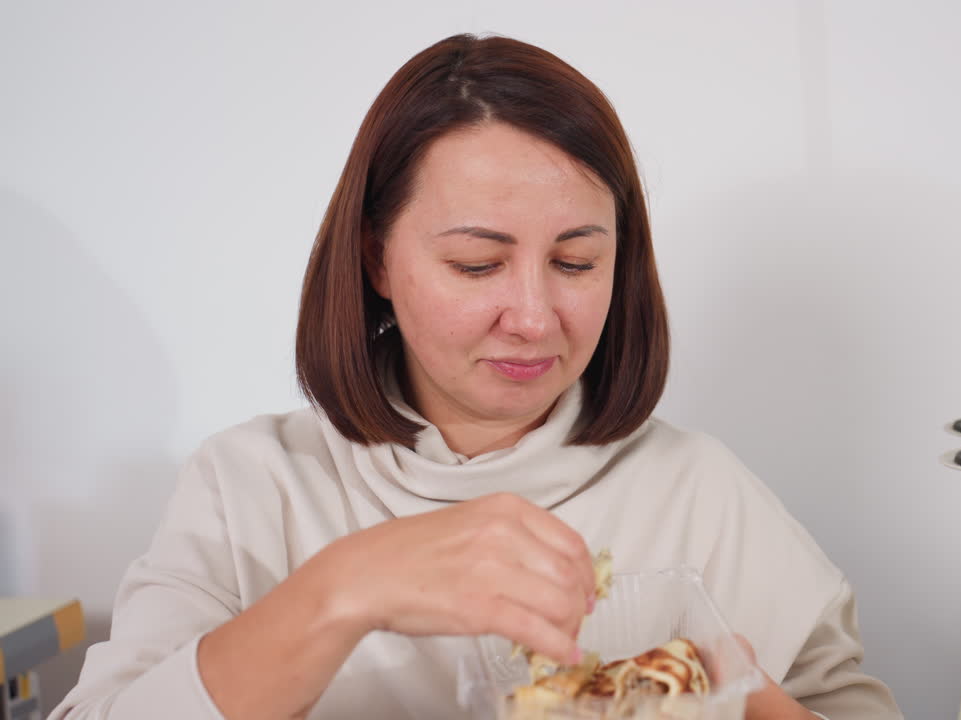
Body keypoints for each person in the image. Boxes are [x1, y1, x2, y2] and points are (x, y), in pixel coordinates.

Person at [50, 34, 902, 720]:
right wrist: (348, 586)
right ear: (376, 259)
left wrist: (720, 690)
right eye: (474, 264)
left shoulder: (702, 497)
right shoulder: (250, 488)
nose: (534, 316)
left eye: (575, 262)